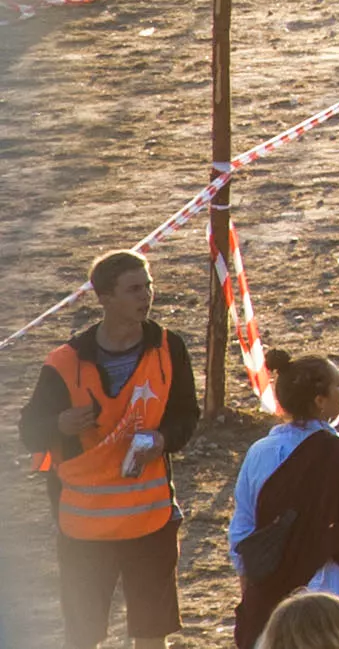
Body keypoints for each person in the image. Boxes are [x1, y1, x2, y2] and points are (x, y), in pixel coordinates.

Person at [26, 250, 201, 644]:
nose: (147, 296)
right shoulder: (64, 362)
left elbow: (186, 416)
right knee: (84, 636)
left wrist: (163, 439)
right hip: (84, 529)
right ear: (104, 297)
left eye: (148, 286)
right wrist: (60, 424)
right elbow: (29, 431)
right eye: (134, 289)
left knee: (152, 634)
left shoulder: (169, 349)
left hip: (151, 521)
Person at [229, 349, 339, 649]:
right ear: (319, 401)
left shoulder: (259, 452)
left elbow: (242, 530)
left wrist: (251, 590)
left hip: (272, 585)